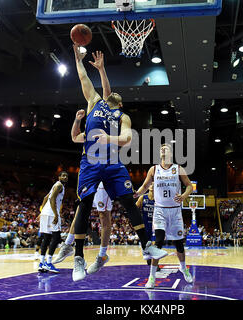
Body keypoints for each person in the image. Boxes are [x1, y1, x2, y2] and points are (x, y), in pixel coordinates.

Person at [69, 45, 167, 281]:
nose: (110, 96)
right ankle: (78, 258)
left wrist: (108, 138)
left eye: (113, 97)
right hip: (91, 162)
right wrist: (79, 61)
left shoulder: (122, 116)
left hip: (113, 162)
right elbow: (84, 78)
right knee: (85, 204)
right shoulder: (93, 102)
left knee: (128, 200)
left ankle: (147, 246)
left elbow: (126, 139)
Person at [134, 144, 194, 289]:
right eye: (161, 148)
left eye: (165, 148)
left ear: (171, 153)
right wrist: (136, 194)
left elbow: (189, 185)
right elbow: (144, 186)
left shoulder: (178, 168)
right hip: (160, 210)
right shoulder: (154, 169)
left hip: (175, 211)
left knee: (179, 244)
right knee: (158, 242)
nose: (162, 149)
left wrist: (184, 195)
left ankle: (183, 268)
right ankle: (152, 277)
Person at [36, 171, 68, 273]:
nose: (65, 177)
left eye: (66, 176)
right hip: (51, 213)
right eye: (63, 175)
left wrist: (41, 212)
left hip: (45, 213)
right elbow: (52, 198)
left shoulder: (55, 185)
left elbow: (46, 198)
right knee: (56, 237)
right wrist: (55, 214)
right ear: (59, 177)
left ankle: (41, 263)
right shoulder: (59, 185)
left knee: (46, 237)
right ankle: (49, 263)